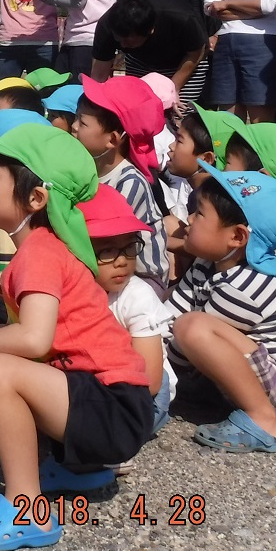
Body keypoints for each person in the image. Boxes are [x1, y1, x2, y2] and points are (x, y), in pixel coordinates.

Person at [0, 126, 152, 551]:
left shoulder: (39, 254)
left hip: (113, 408)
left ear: (35, 199)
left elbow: (32, 339)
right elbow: (34, 338)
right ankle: (80, 469)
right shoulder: (41, 248)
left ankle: (26, 508)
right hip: (110, 400)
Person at [168, 167, 276, 452]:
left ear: (237, 237)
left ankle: (265, 421)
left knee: (193, 328)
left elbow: (178, 348)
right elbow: (170, 309)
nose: (189, 218)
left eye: (199, 213)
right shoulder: (208, 262)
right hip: (259, 376)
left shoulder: (247, 284)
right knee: (187, 324)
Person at [81, 185, 175, 441]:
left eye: (129, 247)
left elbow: (152, 380)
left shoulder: (136, 296)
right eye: (107, 250)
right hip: (98, 379)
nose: (121, 261)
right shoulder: (77, 289)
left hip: (144, 392)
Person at [73, 76, 170, 289]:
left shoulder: (130, 182)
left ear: (113, 140)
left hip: (141, 279)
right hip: (105, 268)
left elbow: (103, 236)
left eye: (82, 122)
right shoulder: (89, 169)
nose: (73, 127)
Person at [90, 0, 209, 104]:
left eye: (128, 41)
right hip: (139, 61)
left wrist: (172, 89)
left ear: (150, 31)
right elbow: (99, 76)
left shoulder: (182, 19)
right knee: (139, 108)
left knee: (177, 113)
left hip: (185, 62)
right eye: (119, 39)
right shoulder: (107, 25)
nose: (122, 45)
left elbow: (195, 53)